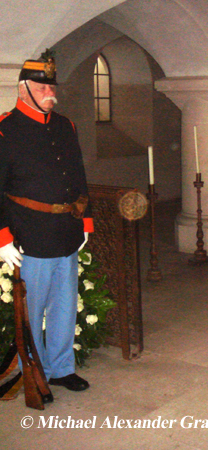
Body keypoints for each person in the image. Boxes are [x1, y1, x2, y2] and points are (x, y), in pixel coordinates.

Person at [0, 52, 94, 398]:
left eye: (51, 84)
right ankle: (34, 374)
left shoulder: (65, 125)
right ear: (23, 88)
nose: (48, 90)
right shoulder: (4, 129)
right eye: (40, 85)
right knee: (31, 310)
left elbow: (79, 175)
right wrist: (3, 238)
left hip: (66, 231)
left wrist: (85, 221)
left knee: (65, 306)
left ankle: (61, 369)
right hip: (29, 235)